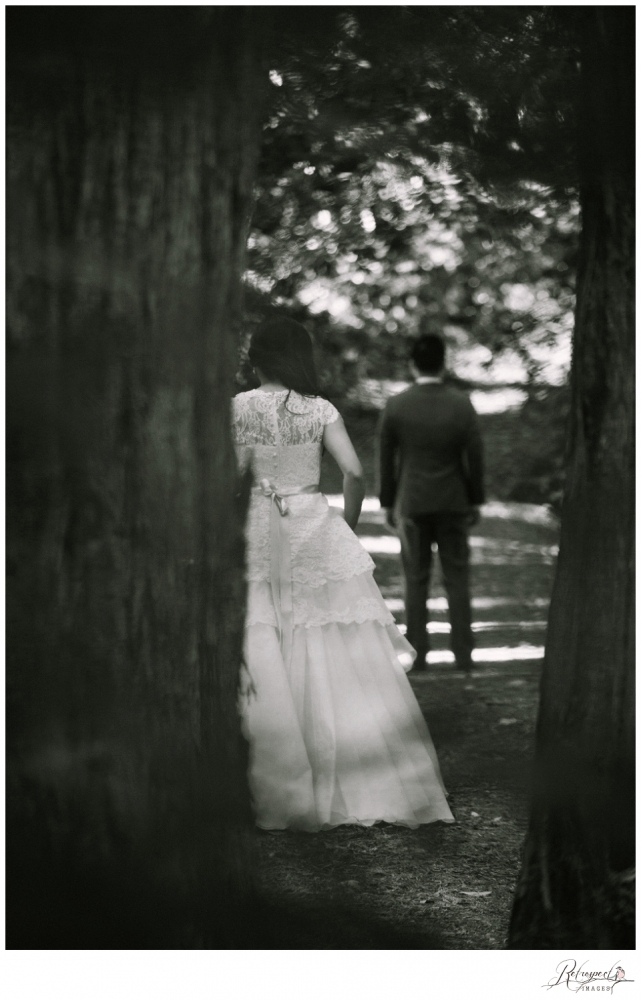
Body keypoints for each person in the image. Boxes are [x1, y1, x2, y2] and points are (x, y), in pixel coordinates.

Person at [232, 317, 454, 832]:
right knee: (329, 640)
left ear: (256, 356)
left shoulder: (237, 408)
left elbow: (230, 475)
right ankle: (360, 776)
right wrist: (344, 526)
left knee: (263, 634)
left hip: (257, 528)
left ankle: (272, 780)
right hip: (311, 523)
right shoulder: (319, 408)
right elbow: (353, 472)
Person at [379, 333, 485, 673]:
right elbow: (475, 456)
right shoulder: (461, 403)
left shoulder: (396, 406)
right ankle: (463, 654)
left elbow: (386, 459)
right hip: (453, 501)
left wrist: (387, 502)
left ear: (413, 364)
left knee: (415, 578)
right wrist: (475, 498)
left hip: (412, 502)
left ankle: (418, 653)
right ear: (444, 363)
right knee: (457, 578)